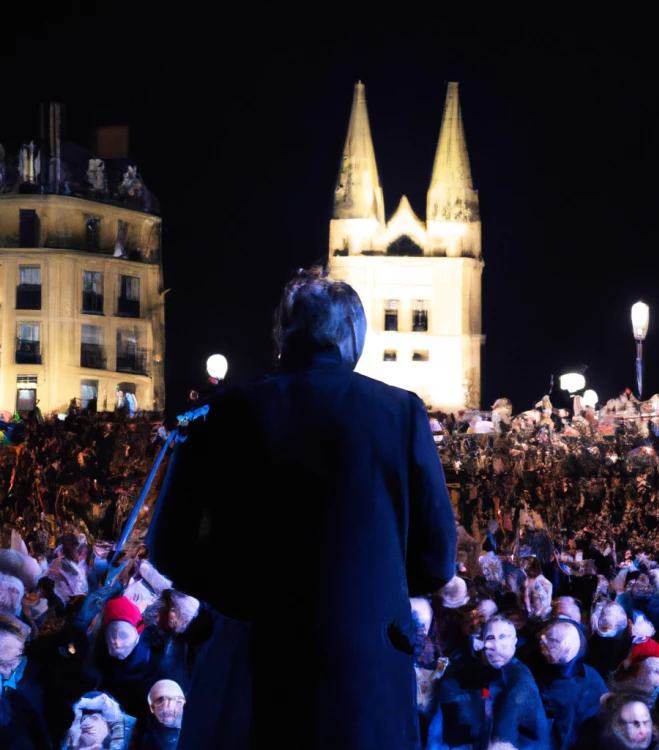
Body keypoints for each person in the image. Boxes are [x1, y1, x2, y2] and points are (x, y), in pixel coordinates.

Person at [146, 267, 457, 749]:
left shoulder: (226, 410)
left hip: (251, 662)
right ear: (353, 336)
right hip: (365, 673)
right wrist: (366, 592)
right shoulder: (401, 413)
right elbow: (437, 559)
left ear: (282, 337)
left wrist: (239, 597)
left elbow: (168, 546)